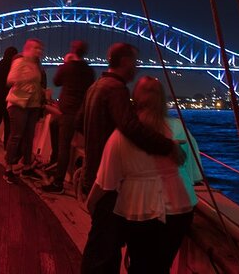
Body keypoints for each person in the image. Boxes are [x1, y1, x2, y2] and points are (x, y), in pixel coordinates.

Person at [77, 43, 186, 273]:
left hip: (95, 174)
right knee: (104, 253)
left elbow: (79, 124)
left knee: (99, 246)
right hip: (109, 184)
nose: (136, 68)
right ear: (125, 61)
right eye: (135, 62)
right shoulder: (116, 89)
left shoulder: (95, 86)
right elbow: (130, 128)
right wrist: (168, 146)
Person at [87, 77, 202, 272]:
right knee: (161, 266)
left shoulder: (121, 135)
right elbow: (193, 175)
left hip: (138, 207)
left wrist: (90, 203)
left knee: (140, 263)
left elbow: (106, 181)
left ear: (135, 98)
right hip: (178, 207)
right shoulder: (179, 129)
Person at [42, 41, 95, 194]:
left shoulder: (67, 67)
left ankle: (58, 183)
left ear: (73, 50)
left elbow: (56, 81)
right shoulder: (89, 71)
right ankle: (56, 164)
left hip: (68, 114)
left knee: (64, 148)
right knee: (54, 125)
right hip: (82, 115)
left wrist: (65, 62)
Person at [3, 39, 44, 183]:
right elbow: (10, 79)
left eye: (40, 48)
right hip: (18, 103)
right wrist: (28, 79)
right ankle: (8, 168)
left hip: (33, 105)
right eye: (36, 48)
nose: (39, 51)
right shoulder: (20, 62)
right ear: (28, 48)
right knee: (16, 136)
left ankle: (27, 167)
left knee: (29, 137)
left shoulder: (36, 64)